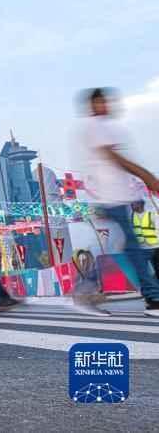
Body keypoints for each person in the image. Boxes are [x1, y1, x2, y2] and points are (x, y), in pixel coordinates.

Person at [75, 88, 159, 317]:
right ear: (92, 105)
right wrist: (146, 176)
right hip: (107, 199)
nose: (104, 106)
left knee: (119, 246)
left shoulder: (108, 127)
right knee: (131, 246)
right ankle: (152, 297)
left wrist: (137, 191)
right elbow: (115, 159)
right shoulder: (95, 127)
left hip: (119, 198)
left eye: (106, 102)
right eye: (99, 102)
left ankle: (84, 291)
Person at [132, 200, 159, 282]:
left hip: (155, 247)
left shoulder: (151, 214)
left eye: (134, 203)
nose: (132, 205)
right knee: (143, 271)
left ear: (141, 204)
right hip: (141, 248)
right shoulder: (132, 215)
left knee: (157, 268)